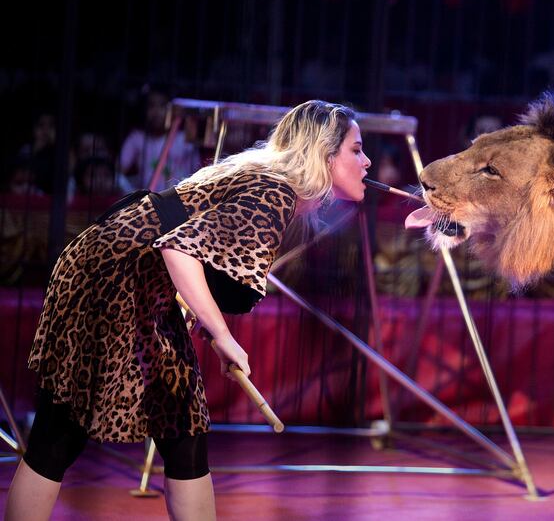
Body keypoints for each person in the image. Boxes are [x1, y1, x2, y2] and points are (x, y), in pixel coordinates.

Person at [5, 100, 371, 521]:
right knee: (62, 428)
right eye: (356, 150)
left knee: (183, 420)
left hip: (141, 283)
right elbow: (179, 248)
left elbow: (192, 250)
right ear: (324, 155)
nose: (367, 161)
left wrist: (206, 313)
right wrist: (223, 335)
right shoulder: (273, 192)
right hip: (108, 277)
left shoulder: (273, 188)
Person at [119, 89, 200, 192]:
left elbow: (197, 173)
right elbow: (119, 171)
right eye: (151, 106)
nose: (156, 112)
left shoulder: (184, 138)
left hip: (181, 199)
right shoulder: (137, 138)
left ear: (173, 109)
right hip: (148, 201)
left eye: (162, 106)